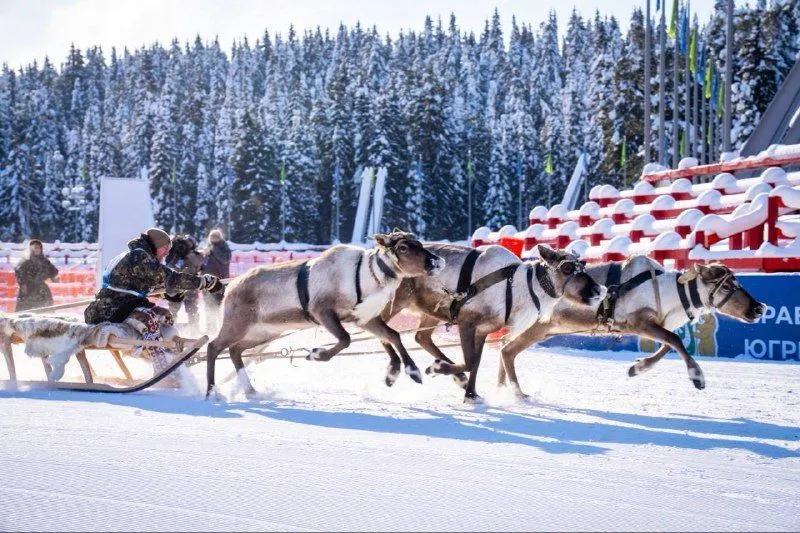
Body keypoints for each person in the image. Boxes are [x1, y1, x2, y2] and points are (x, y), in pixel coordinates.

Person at [84, 228, 224, 374]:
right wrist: (204, 282)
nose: (165, 254)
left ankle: (170, 355)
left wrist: (167, 295)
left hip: (123, 305)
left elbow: (139, 285)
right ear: (156, 245)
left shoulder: (141, 255)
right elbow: (169, 277)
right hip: (108, 309)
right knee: (148, 319)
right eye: (164, 249)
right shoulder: (138, 256)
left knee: (165, 315)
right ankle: (161, 368)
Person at [164, 235, 205, 336]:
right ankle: (169, 332)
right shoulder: (172, 256)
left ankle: (194, 332)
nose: (183, 248)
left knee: (192, 311)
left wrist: (188, 255)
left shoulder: (194, 256)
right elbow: (168, 268)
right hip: (176, 289)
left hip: (189, 288)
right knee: (172, 312)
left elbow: (199, 265)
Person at [14, 239, 59, 312]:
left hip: (41, 289)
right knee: (23, 310)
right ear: (31, 249)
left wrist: (54, 277)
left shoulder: (44, 260)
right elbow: (18, 272)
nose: (38, 250)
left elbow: (52, 270)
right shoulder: (26, 260)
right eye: (36, 248)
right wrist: (22, 284)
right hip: (28, 289)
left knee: (47, 307)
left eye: (39, 248)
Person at [201, 228, 231, 333]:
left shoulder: (224, 247)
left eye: (215, 237)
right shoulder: (208, 248)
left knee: (221, 307)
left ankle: (224, 330)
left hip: (220, 282)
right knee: (209, 307)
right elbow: (202, 264)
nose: (213, 239)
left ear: (219, 237)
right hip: (207, 283)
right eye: (211, 237)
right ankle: (211, 330)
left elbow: (225, 260)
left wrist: (214, 250)